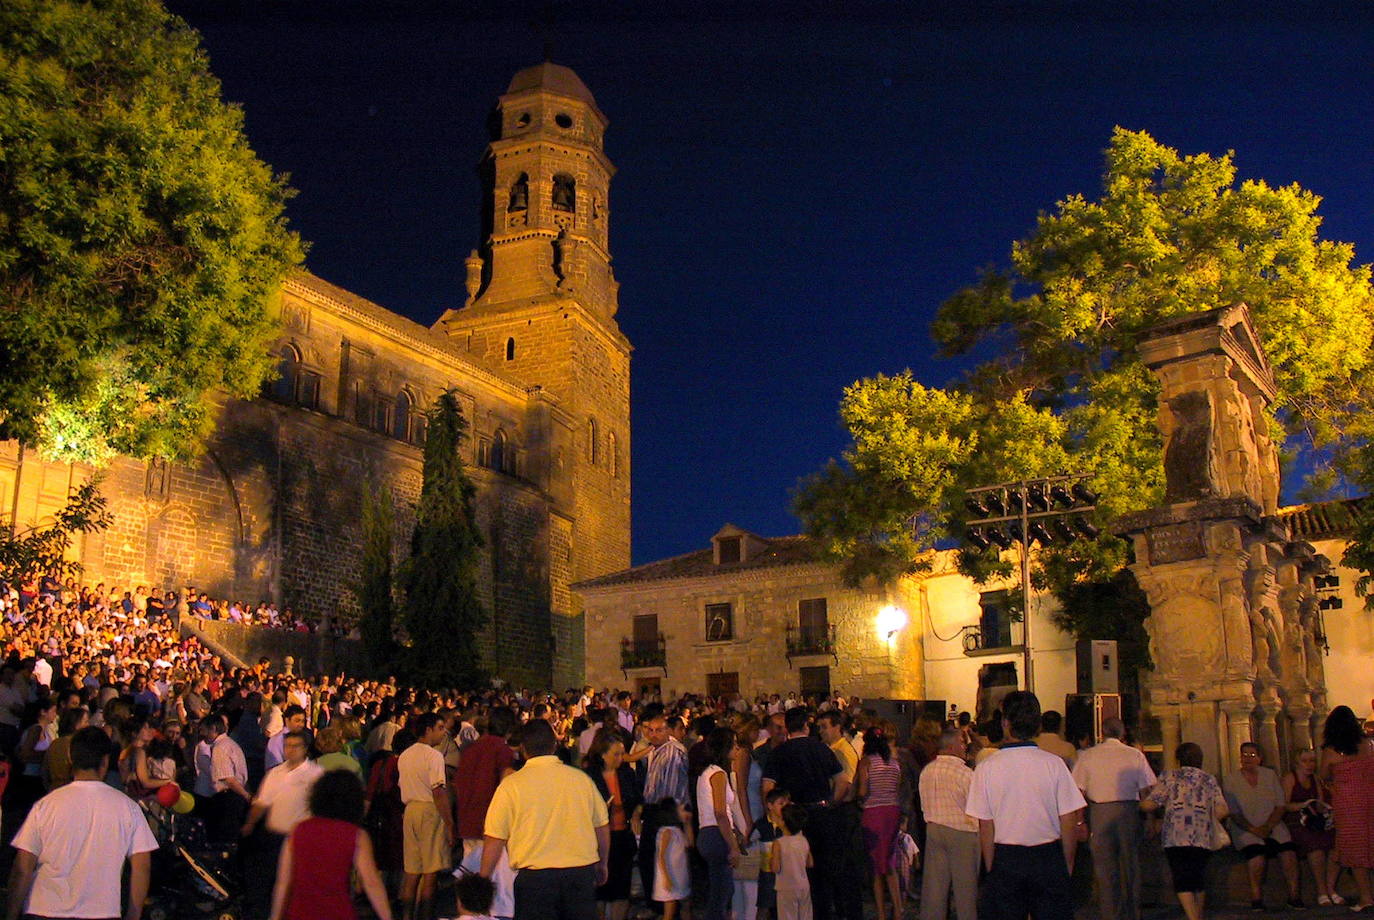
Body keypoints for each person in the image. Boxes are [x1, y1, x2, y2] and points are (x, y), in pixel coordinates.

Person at [6, 726, 158, 920]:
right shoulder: (128, 808)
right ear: (105, 761)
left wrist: (11, 914)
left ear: (71, 758)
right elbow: (142, 867)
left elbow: (22, 867)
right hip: (101, 912)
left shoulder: (46, 805)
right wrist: (133, 915)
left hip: (43, 908)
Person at [964, 690, 1085, 920]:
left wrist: (991, 867)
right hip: (1047, 855)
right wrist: (1067, 863)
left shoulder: (987, 768)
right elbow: (1068, 818)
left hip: (1006, 856)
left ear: (1005, 723)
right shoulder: (1054, 764)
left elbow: (986, 825)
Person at [481, 719, 610, 920]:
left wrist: (484, 878)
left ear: (523, 749)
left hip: (535, 880)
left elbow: (495, 838)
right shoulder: (581, 780)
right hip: (579, 876)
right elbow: (601, 826)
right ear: (554, 745)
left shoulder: (511, 786)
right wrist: (603, 863)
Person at [269, 768, 393, 920]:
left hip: (300, 912)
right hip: (338, 912)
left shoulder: (298, 830)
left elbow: (283, 881)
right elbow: (371, 882)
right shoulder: (357, 836)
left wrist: (275, 916)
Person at [761, 707, 847, 920]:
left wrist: (776, 815)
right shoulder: (822, 749)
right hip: (820, 813)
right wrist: (831, 803)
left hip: (792, 816)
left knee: (792, 870)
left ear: (787, 728)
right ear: (806, 726)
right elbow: (842, 781)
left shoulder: (779, 752)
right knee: (821, 871)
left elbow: (767, 788)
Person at [1071, 717, 1156, 920]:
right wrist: (1150, 818)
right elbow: (1147, 790)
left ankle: (1111, 913)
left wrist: (1080, 821)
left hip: (1099, 813)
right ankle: (1132, 912)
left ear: (1102, 732)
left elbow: (1078, 791)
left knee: (1104, 869)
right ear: (1122, 733)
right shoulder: (1134, 755)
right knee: (1130, 865)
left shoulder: (1089, 755)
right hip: (1129, 811)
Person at [1140, 742, 1229, 920]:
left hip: (1176, 835)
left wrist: (1139, 802)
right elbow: (1222, 809)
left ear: (1178, 759)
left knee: (1182, 878)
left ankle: (1193, 917)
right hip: (1202, 835)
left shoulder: (1170, 777)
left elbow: (1151, 804)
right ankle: (1198, 915)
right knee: (1197, 878)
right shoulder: (1209, 779)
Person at [244, 729, 324, 918]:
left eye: (296, 746)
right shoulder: (275, 773)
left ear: (305, 749)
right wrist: (250, 823)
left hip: (300, 839)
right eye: (287, 746)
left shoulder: (316, 774)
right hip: (274, 839)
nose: (291, 750)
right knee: (273, 882)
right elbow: (262, 803)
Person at [1223, 741, 1302, 910]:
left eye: (1252, 755)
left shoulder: (1270, 776)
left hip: (1272, 824)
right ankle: (1256, 897)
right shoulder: (1231, 780)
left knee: (1288, 853)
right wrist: (1253, 829)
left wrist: (1268, 826)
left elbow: (1280, 805)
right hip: (1246, 828)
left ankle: (1294, 895)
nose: (1248, 758)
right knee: (1257, 856)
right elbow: (1234, 812)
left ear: (1259, 758)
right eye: (1244, 754)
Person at [456, 705, 517, 919]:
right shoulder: (504, 751)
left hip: (467, 820)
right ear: (509, 729)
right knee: (493, 888)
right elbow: (505, 786)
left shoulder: (470, 749)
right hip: (491, 827)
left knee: (469, 884)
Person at [398, 712, 454, 920]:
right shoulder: (434, 756)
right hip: (429, 811)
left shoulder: (405, 755)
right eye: (440, 728)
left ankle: (406, 916)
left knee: (412, 871)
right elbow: (438, 792)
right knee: (431, 872)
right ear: (428, 730)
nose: (443, 732)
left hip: (410, 810)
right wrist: (450, 824)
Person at [919, 728, 979, 920]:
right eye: (962, 742)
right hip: (962, 833)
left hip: (933, 828)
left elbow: (923, 804)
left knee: (934, 890)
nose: (965, 746)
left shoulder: (927, 770)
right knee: (965, 891)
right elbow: (976, 808)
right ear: (951, 746)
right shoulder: (965, 773)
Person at [1321, 704, 1374, 910]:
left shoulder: (1331, 750)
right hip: (1369, 797)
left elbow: (1324, 774)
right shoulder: (1367, 744)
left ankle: (1366, 898)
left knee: (1354, 848)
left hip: (1348, 803)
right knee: (1369, 844)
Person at [585, 730, 642, 920]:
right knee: (599, 890)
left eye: (622, 753)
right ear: (603, 754)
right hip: (599, 839)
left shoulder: (627, 773)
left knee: (622, 889)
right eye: (616, 754)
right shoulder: (590, 777)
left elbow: (638, 799)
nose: (620, 758)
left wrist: (636, 813)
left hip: (623, 836)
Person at [639, 712, 690, 914]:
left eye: (659, 730)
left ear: (668, 730)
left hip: (666, 812)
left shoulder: (672, 752)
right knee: (652, 859)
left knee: (664, 860)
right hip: (656, 810)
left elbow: (670, 788)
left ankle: (665, 908)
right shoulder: (657, 750)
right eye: (650, 730)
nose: (654, 734)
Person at [696, 726, 745, 920]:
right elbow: (720, 812)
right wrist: (733, 845)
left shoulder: (708, 773)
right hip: (716, 834)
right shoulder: (718, 774)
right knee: (721, 892)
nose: (737, 748)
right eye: (734, 744)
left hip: (709, 833)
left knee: (722, 889)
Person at [855, 725, 903, 920]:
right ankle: (898, 910)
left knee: (875, 865)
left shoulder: (866, 762)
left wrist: (857, 799)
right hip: (892, 812)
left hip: (873, 813)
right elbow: (897, 788)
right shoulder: (894, 763)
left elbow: (862, 791)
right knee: (890, 861)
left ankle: (881, 913)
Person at [1283, 747, 1341, 906]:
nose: (1309, 765)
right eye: (1305, 761)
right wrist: (1302, 805)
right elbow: (1284, 805)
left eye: (1312, 761)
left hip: (1314, 818)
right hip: (1296, 820)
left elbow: (1320, 803)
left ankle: (1331, 888)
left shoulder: (1315, 779)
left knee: (1337, 844)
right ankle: (1321, 890)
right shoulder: (1290, 778)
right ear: (1297, 762)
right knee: (1315, 847)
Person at [771, 803, 814, 920]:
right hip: (803, 885)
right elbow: (810, 863)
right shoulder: (803, 840)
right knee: (806, 915)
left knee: (787, 916)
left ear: (783, 822)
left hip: (786, 887)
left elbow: (776, 867)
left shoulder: (778, 843)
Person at [653, 799, 693, 920]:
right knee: (669, 910)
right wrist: (666, 878)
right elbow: (661, 856)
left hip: (679, 876)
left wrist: (688, 824)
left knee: (686, 905)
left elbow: (690, 843)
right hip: (670, 876)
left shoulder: (678, 831)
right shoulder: (667, 832)